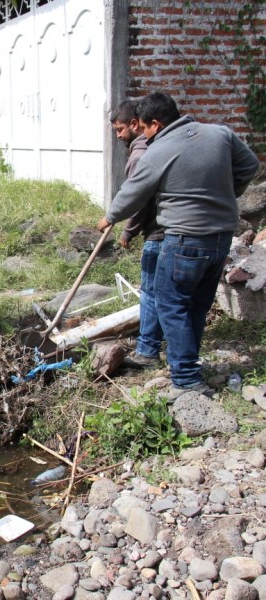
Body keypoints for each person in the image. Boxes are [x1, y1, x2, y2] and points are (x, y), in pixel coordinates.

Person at [98, 92, 260, 400]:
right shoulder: (220, 133)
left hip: (184, 239)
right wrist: (227, 192)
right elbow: (250, 166)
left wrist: (109, 218)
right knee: (196, 305)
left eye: (144, 128)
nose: (144, 135)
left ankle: (186, 378)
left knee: (172, 305)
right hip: (220, 237)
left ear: (156, 124)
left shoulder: (159, 150)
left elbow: (134, 192)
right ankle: (188, 366)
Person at [110, 100, 165, 369]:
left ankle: (147, 350)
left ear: (135, 125)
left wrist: (127, 231)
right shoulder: (161, 148)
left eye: (120, 129)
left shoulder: (140, 156)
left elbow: (138, 200)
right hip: (180, 233)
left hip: (159, 235)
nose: (119, 136)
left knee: (151, 293)